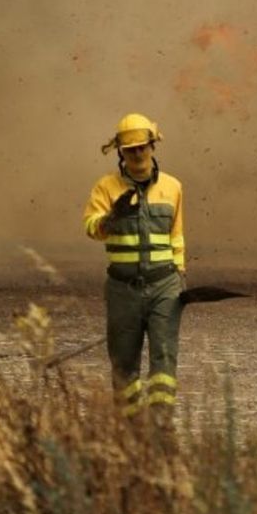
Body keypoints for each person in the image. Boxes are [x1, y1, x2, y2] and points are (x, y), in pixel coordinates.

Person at [82, 113, 186, 422]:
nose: (138, 154)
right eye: (131, 149)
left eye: (143, 147)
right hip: (122, 289)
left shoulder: (173, 187)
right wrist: (110, 218)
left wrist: (180, 276)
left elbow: (176, 236)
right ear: (120, 153)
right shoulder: (105, 188)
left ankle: (161, 424)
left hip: (165, 284)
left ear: (153, 146)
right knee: (124, 361)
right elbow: (90, 228)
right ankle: (129, 430)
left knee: (164, 357)